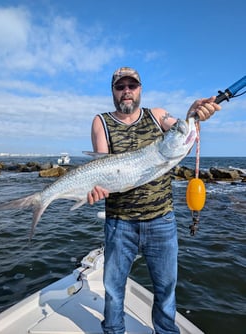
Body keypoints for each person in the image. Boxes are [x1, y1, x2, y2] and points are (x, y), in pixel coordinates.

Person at [87, 67, 221, 334]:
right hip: (119, 223)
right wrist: (95, 189)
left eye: (132, 86)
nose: (126, 91)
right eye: (120, 87)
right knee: (113, 290)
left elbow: (180, 129)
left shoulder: (157, 115)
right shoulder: (100, 122)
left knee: (165, 289)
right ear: (113, 91)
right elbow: (99, 170)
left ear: (140, 89)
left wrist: (193, 115)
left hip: (162, 221)